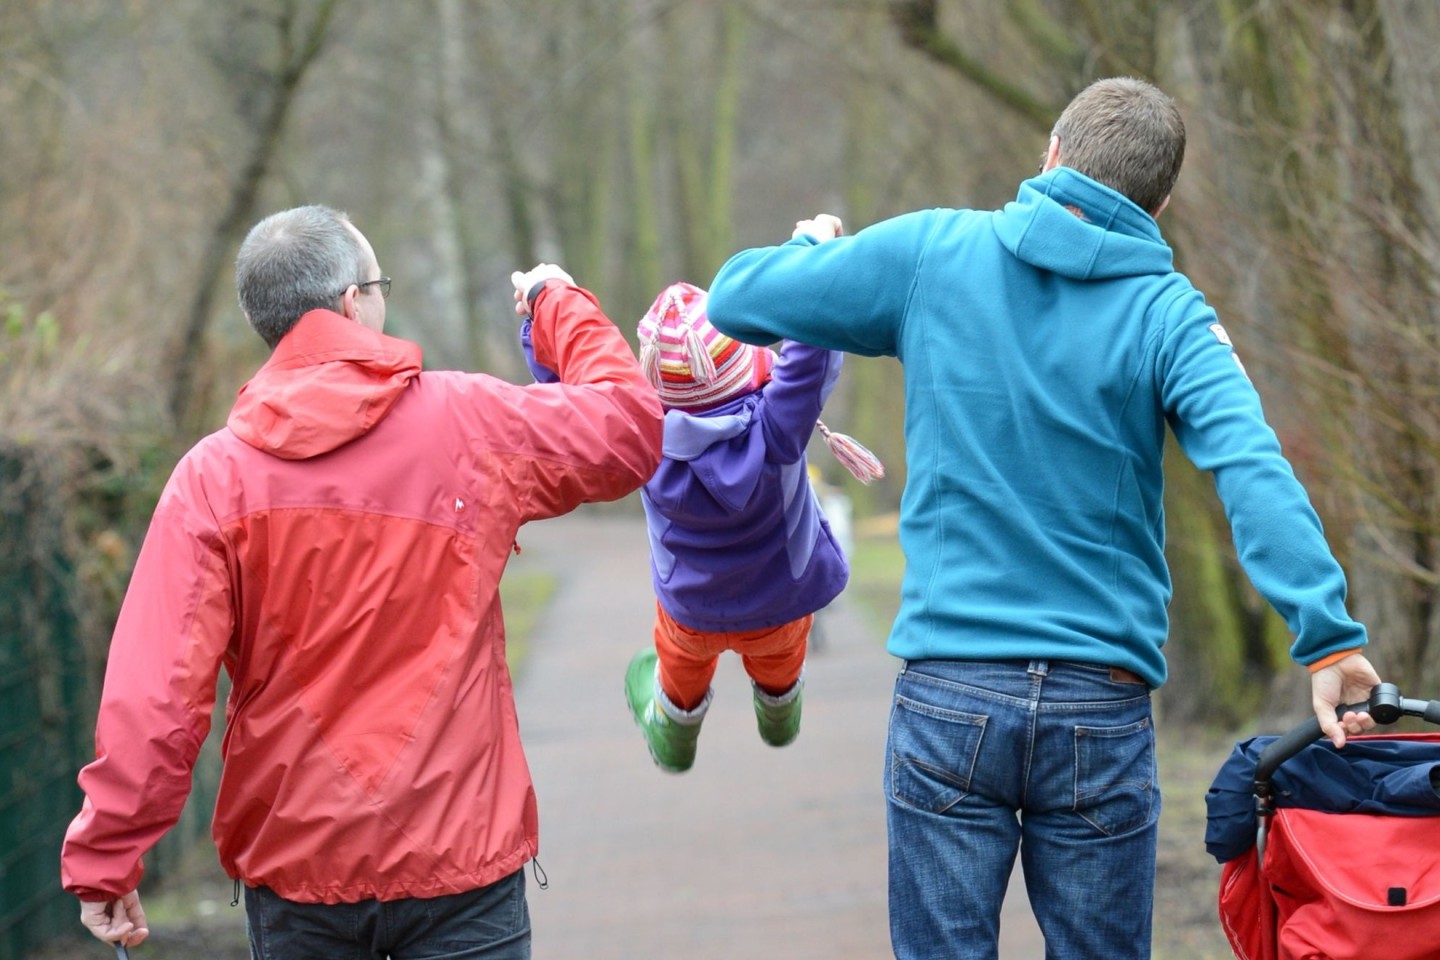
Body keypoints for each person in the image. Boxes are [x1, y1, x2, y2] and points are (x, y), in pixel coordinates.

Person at [704, 77, 1381, 959]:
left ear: (1051, 154)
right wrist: (1326, 637)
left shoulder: (930, 254)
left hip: (951, 693)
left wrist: (811, 244)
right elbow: (1252, 468)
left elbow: (736, 297)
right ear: (1160, 200)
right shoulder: (1169, 316)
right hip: (1097, 708)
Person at [59, 204, 663, 958]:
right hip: (459, 857)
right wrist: (557, 304)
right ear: (353, 301)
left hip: (299, 868)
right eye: (378, 283)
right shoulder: (468, 421)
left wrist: (110, 852)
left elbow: (156, 692)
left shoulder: (212, 480)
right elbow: (630, 429)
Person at [604, 280, 882, 773]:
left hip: (690, 614)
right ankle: (779, 712)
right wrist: (812, 250)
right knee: (781, 655)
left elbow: (576, 390)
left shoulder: (640, 440)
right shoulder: (778, 426)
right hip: (781, 606)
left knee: (679, 665)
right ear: (744, 363)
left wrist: (543, 310)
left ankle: (675, 732)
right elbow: (810, 354)